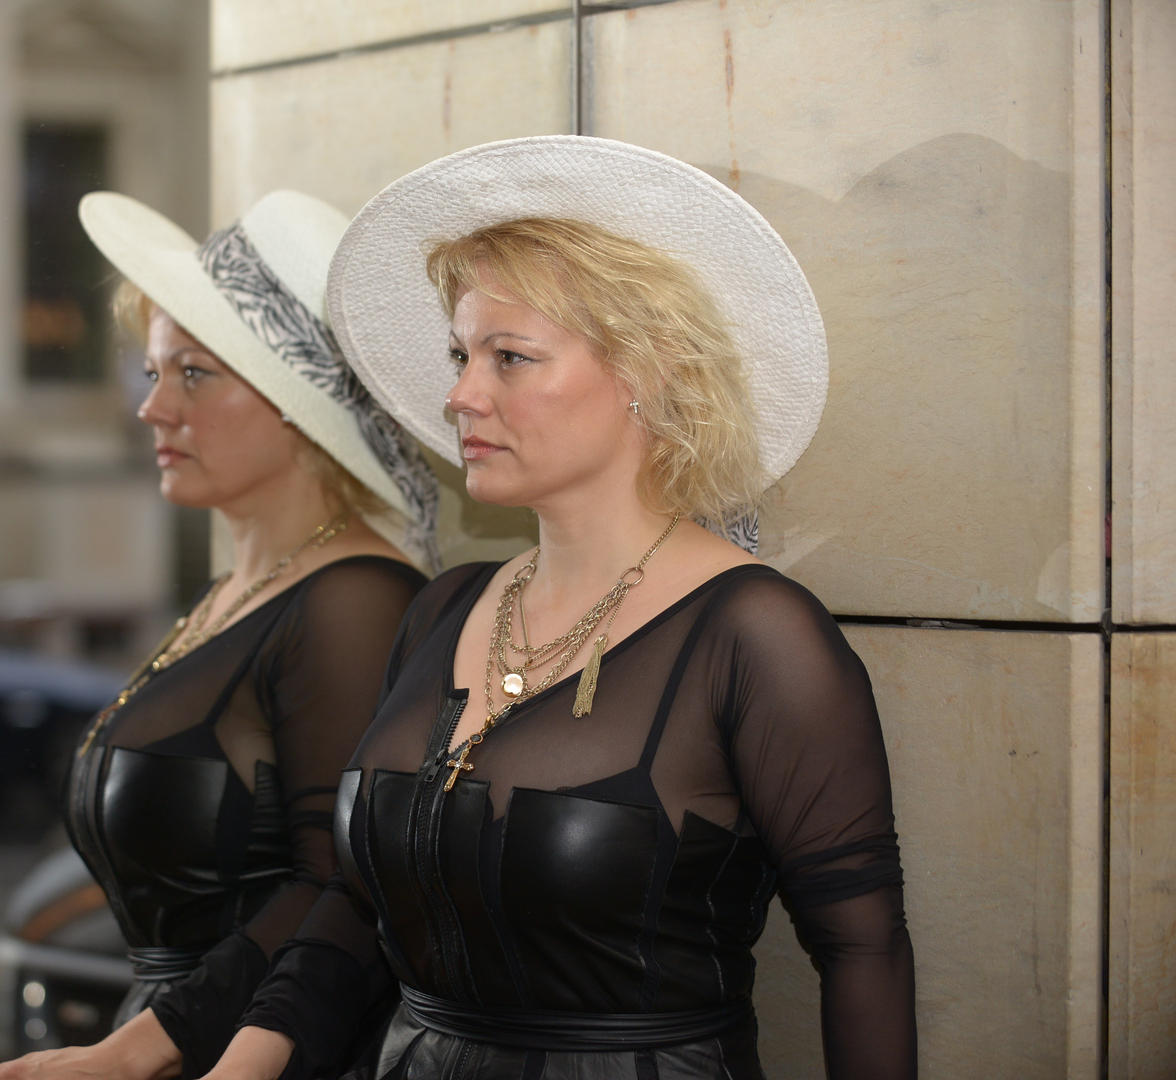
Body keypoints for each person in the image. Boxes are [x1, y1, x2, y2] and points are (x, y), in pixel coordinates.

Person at [205, 137, 916, 1080]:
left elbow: (862, 950)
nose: (461, 394)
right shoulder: (446, 609)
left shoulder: (755, 634)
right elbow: (363, 906)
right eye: (461, 354)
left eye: (511, 357)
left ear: (647, 375)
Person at [0, 190, 438, 1080]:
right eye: (153, 374)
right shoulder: (234, 591)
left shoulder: (357, 601)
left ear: (298, 400)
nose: (154, 409)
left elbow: (341, 887)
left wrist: (132, 1053)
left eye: (194, 373)